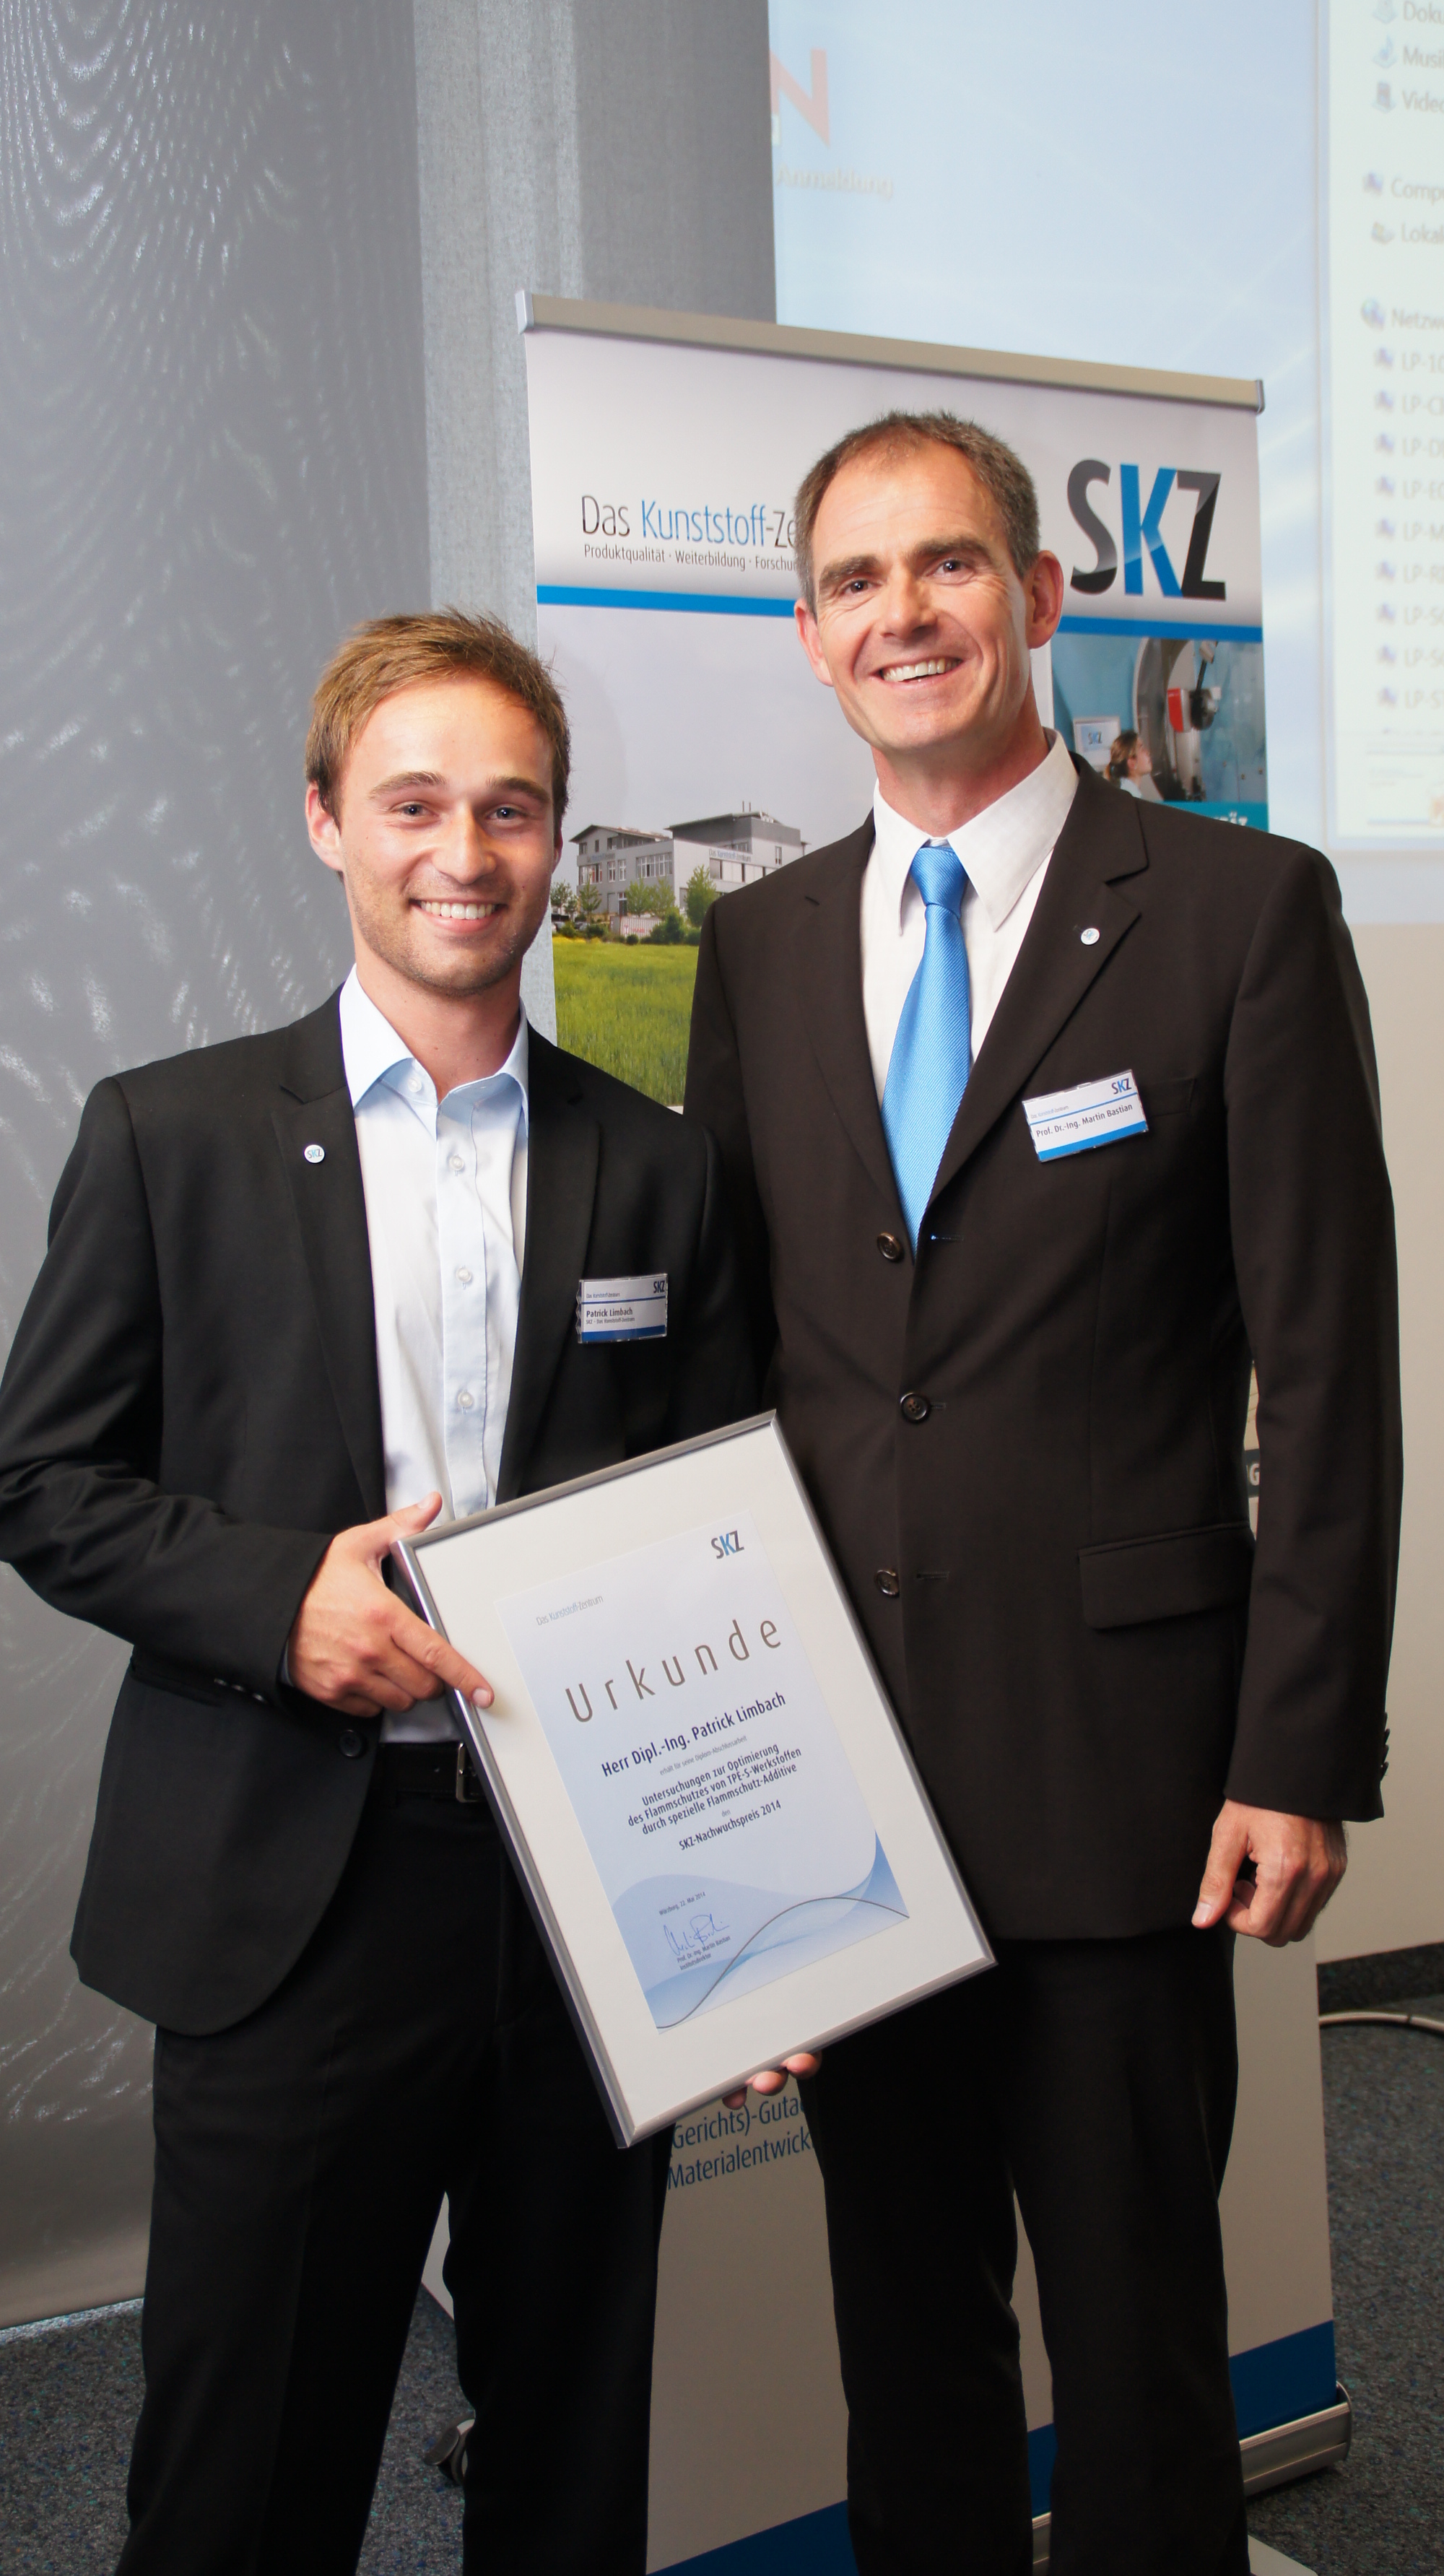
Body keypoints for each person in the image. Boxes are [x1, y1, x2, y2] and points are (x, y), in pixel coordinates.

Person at [684, 411, 1401, 2576]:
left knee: (1138, 2356)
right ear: (806, 632)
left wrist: (1298, 1747)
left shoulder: (1236, 911)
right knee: (903, 2349)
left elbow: (1328, 1367)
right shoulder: (758, 942)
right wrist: (728, 1804)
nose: (902, 614)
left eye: (947, 565)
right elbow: (738, 1383)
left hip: (1128, 1784)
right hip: (848, 1809)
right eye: (854, 580)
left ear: (1040, 592)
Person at [0, 609, 753, 2576]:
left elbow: (717, 1535)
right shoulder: (170, 1135)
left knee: (572, 2451)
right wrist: (279, 1604)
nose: (463, 852)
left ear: (555, 836)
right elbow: (39, 1479)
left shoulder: (657, 1167)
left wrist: (749, 1916)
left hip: (585, 1893)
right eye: (413, 803)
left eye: (509, 808)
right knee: (245, 2474)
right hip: (295, 1889)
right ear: (325, 819)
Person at [1107, 724, 1160, 797]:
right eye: (1142, 749)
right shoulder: (1129, 796)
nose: (1148, 753)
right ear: (1132, 762)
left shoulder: (1126, 792)